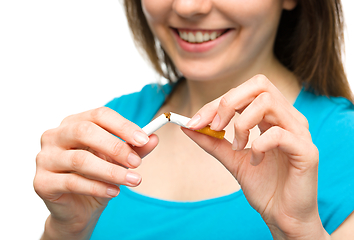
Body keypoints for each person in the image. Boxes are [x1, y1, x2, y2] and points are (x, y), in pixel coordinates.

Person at [34, 0, 354, 239]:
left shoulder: (345, 147)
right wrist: (64, 231)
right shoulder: (109, 128)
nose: (187, 6)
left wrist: (299, 232)